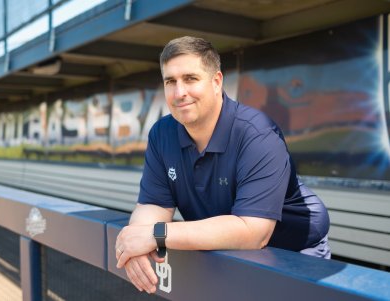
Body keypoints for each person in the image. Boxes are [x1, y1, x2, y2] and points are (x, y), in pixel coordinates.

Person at [115, 36, 330, 294]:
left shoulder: (256, 134)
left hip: (292, 250)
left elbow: (253, 232)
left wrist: (155, 235)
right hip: (225, 246)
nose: (179, 92)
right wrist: (137, 241)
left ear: (216, 81)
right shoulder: (162, 134)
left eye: (190, 79)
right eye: (170, 81)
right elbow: (154, 204)